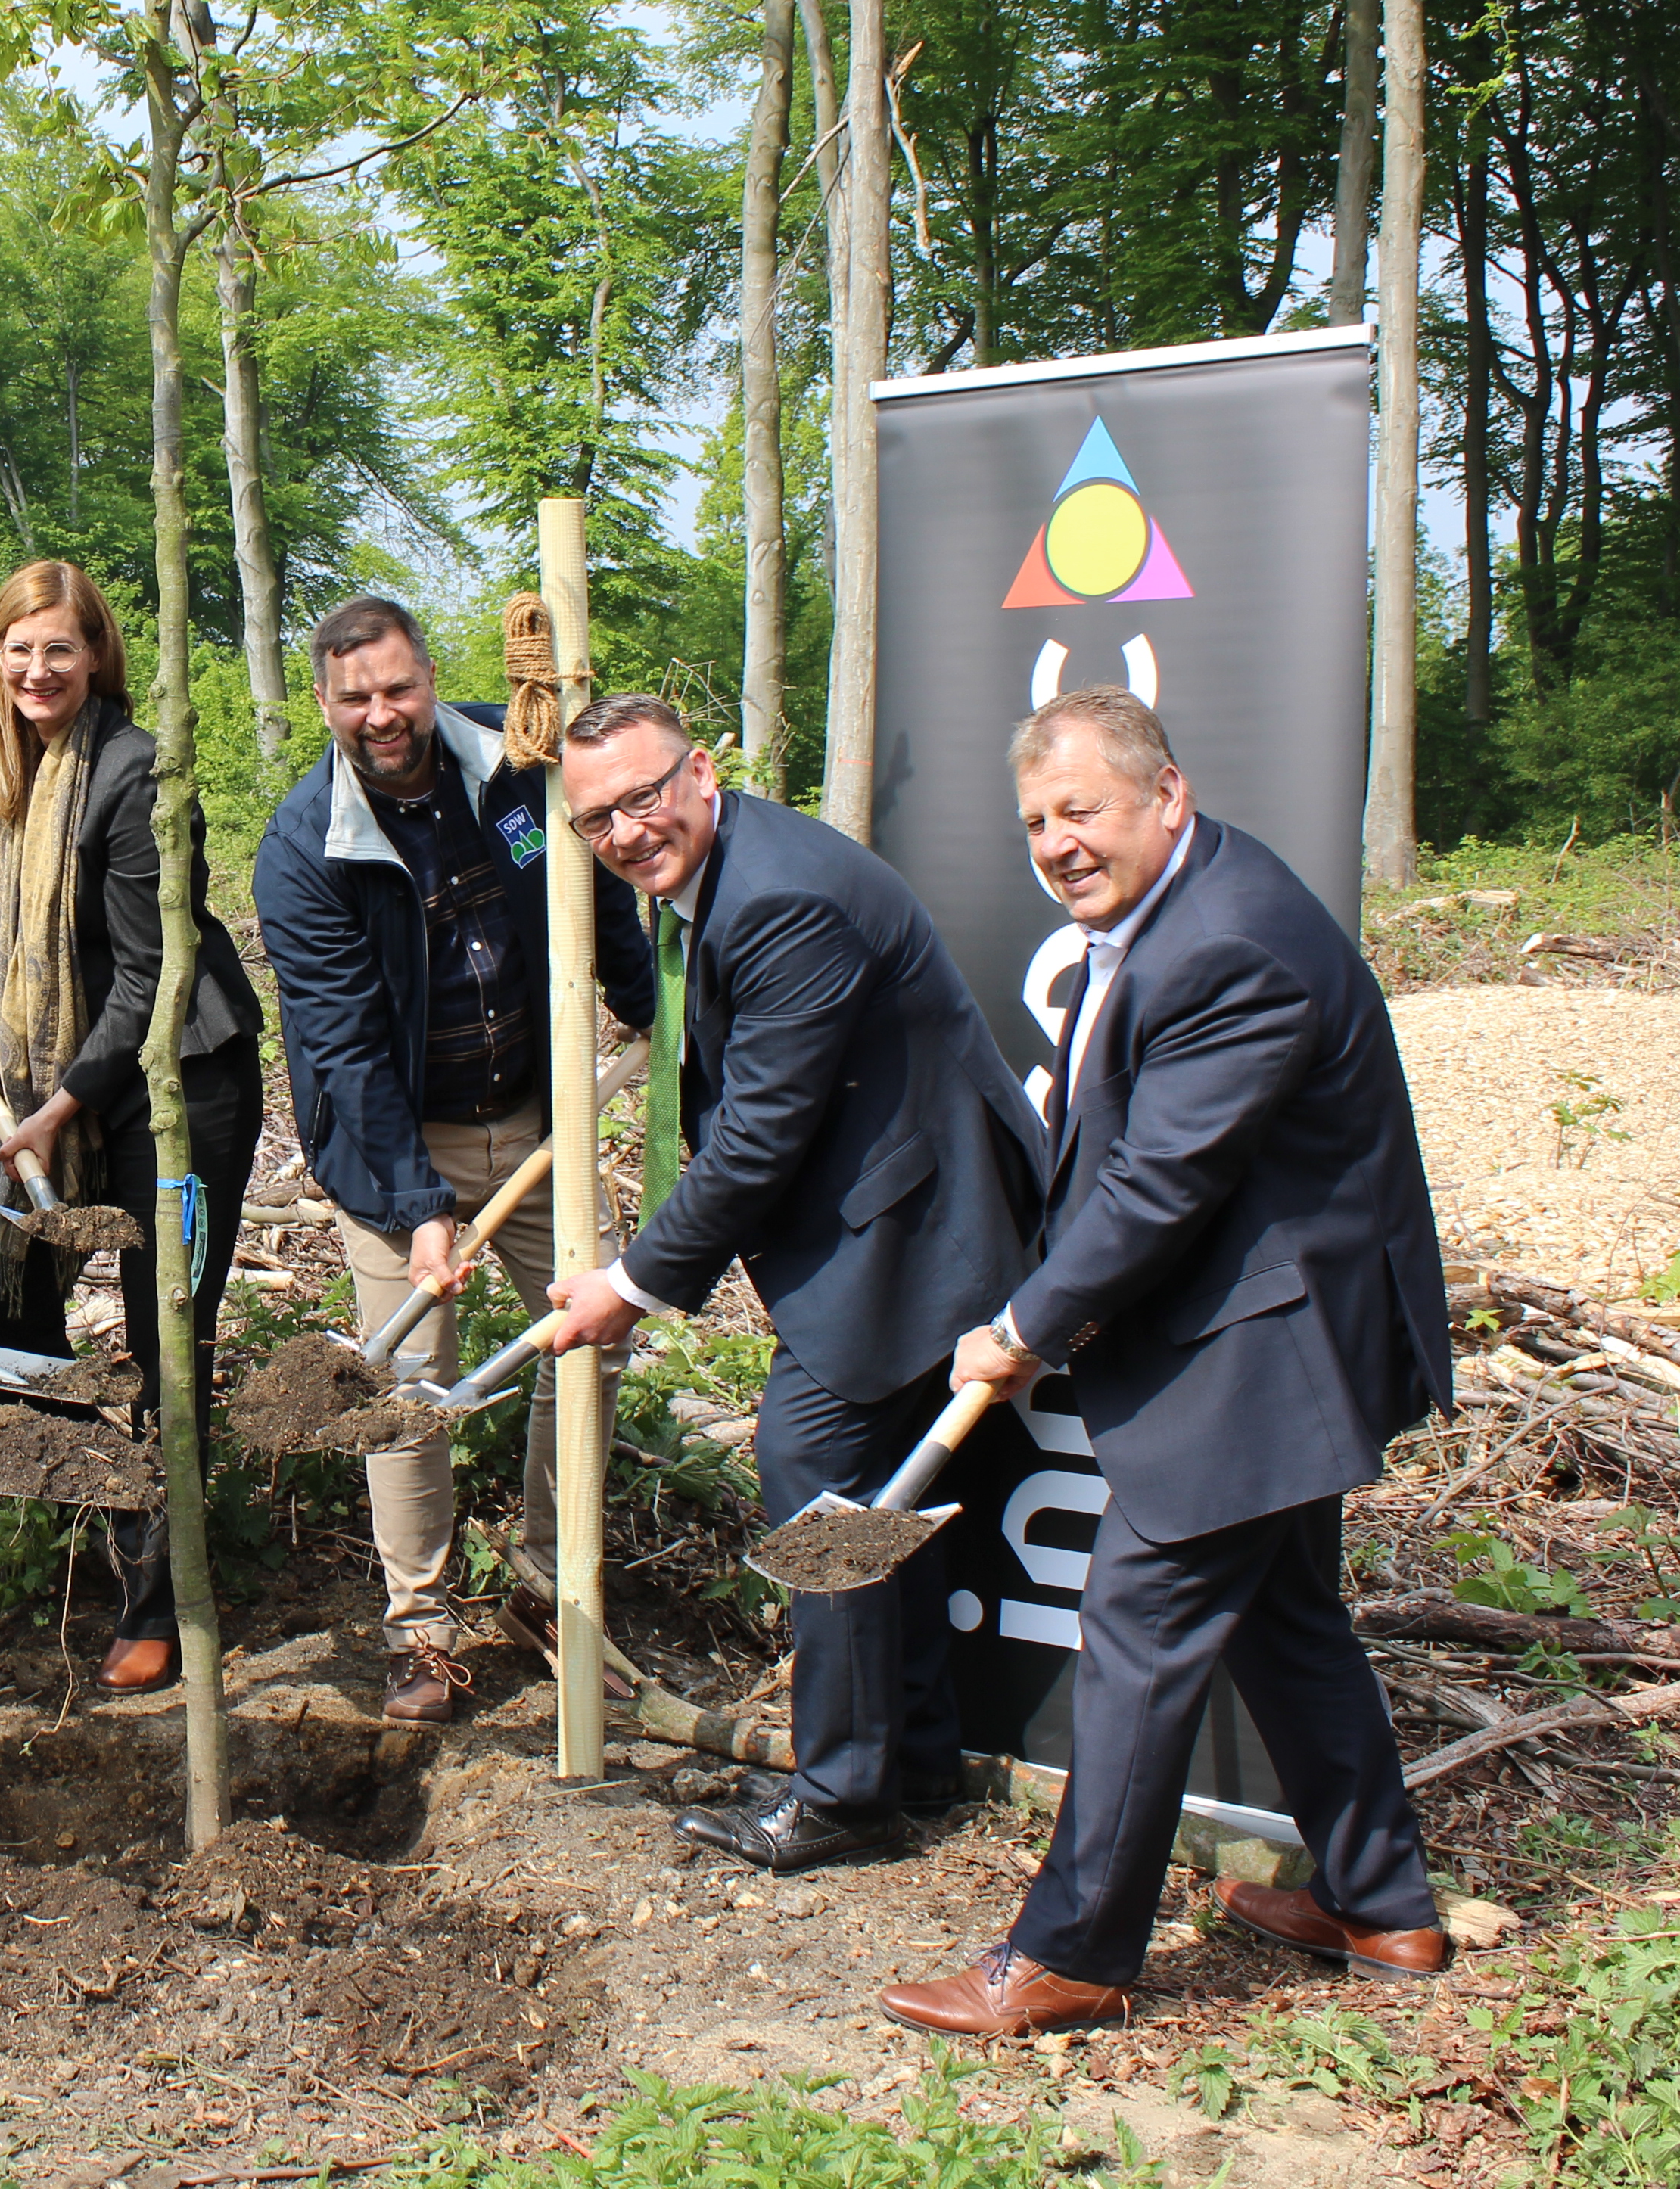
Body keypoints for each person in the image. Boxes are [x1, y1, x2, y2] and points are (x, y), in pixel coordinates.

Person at [877, 686, 1454, 2040]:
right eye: (1035, 822)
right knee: (1291, 1624)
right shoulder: (1181, 913)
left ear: (1167, 797)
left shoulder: (1231, 946)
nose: (1057, 843)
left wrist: (1025, 1328)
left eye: (1082, 810)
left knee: (1134, 1638)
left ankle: (1072, 1952)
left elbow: (1157, 1188)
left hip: (1268, 1351)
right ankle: (1384, 1904)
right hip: (1273, 1329)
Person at [542, 693, 1044, 1871]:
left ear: (701, 772)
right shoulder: (729, 874)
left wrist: (634, 1281)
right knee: (874, 1496)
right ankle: (909, 1756)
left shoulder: (781, 900)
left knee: (816, 1473)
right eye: (594, 820)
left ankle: (847, 1794)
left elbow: (760, 1139)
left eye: (643, 796)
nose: (624, 831)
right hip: (896, 1213)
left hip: (919, 1229)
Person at [250, 595, 655, 1725]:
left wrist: (642, 1000)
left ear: (430, 674)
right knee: (408, 1393)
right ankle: (420, 1631)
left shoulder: (518, 769)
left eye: (398, 687)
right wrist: (420, 1207)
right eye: (355, 697)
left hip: (535, 1121)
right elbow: (343, 1048)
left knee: (594, 1336)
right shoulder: (305, 847)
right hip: (399, 1145)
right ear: (325, 702)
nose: (382, 715)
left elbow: (591, 896)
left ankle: (546, 1577)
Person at [0, 557, 264, 1693]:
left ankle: (160, 1596)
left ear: (96, 656)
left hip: (178, 1080)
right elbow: (10, 938)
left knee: (166, 1336)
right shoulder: (18, 774)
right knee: (4, 1304)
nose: (37, 668)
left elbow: (150, 971)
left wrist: (56, 1106)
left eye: (59, 648)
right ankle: (110, 1509)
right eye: (18, 648)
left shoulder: (136, 774)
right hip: (58, 1087)